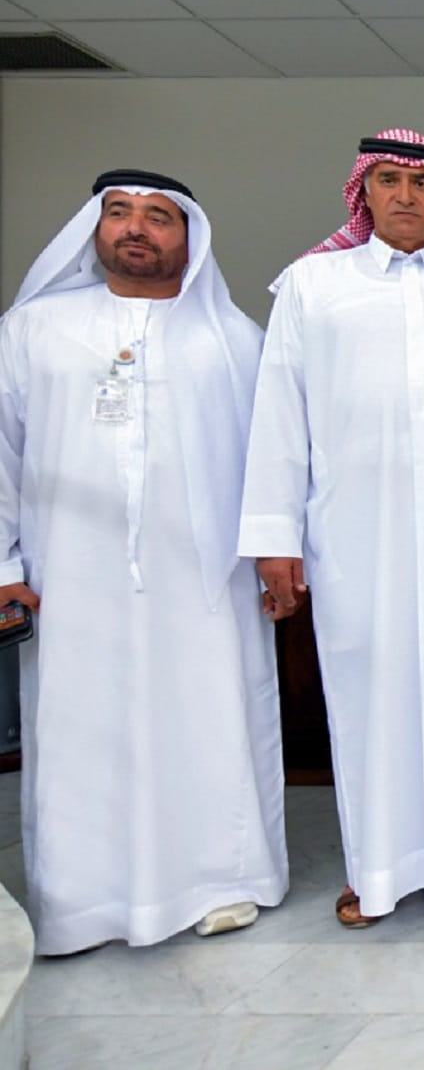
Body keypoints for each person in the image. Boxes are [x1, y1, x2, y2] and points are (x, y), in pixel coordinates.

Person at [239, 129, 424, 926]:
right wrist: (276, 537)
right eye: (388, 179)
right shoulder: (312, 286)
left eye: (421, 181)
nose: (405, 194)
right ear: (361, 193)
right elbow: (279, 419)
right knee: (366, 695)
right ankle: (372, 870)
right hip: (352, 536)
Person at [0, 169, 286, 954]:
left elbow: (274, 461)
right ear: (93, 230)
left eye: (159, 217)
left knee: (210, 719)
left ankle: (221, 883)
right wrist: (2, 565)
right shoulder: (33, 330)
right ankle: (81, 904)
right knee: (80, 733)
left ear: (188, 237)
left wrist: (274, 556)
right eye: (119, 213)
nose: (138, 229)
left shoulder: (233, 340)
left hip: (205, 583)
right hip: (71, 580)